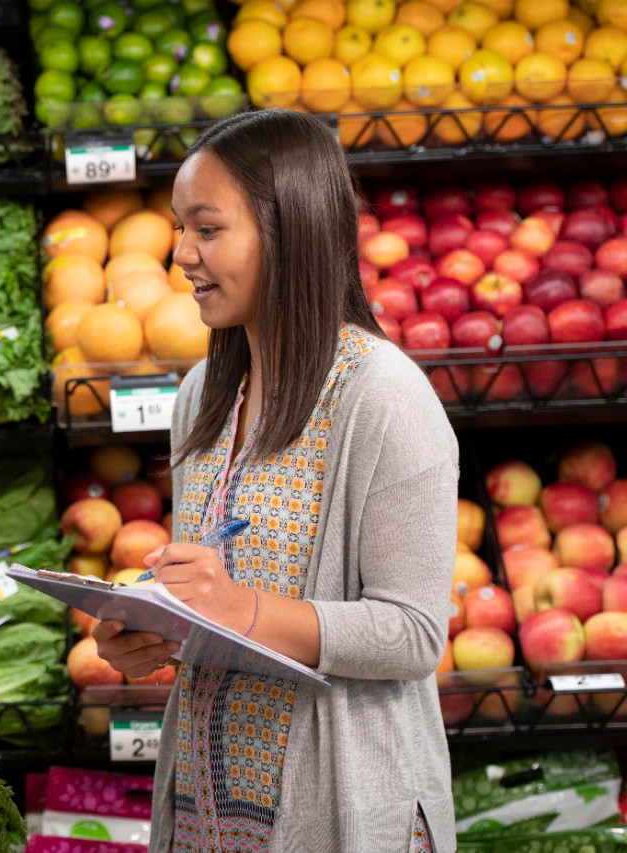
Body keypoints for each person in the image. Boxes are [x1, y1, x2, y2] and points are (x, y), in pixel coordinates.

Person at [92, 109, 458, 853]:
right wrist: (160, 628)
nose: (182, 254)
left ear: (289, 228)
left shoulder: (384, 396)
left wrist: (242, 609)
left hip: (340, 809)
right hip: (211, 806)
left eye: (207, 229)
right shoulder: (203, 393)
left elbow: (412, 632)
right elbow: (219, 600)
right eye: (178, 228)